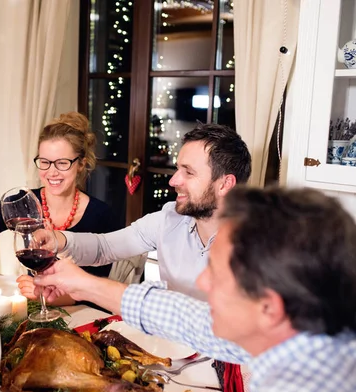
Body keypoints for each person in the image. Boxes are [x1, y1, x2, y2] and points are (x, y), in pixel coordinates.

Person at [34, 186, 356, 392]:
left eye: (216, 276)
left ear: (269, 308)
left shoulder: (300, 390)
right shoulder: (294, 331)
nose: (202, 283)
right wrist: (82, 283)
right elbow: (187, 317)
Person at [51, 123, 252, 300]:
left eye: (188, 172)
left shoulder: (258, 248)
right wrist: (58, 240)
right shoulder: (168, 219)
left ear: (225, 184)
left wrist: (86, 286)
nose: (173, 181)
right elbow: (105, 248)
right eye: (177, 169)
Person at [0, 112, 122, 306]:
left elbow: (95, 291)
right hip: (35, 310)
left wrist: (43, 294)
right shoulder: (24, 202)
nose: (52, 172)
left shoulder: (103, 216)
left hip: (83, 318)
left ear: (81, 164)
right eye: (45, 162)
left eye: (62, 163)